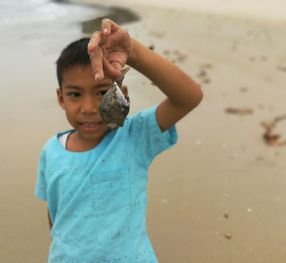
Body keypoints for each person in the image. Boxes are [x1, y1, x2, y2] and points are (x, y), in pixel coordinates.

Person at [35, 18, 203, 263]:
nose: (89, 108)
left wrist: (133, 53)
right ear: (61, 98)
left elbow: (189, 97)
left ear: (123, 96)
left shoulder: (134, 137)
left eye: (102, 92)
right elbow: (55, 213)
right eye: (74, 94)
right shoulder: (51, 151)